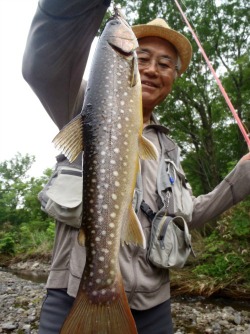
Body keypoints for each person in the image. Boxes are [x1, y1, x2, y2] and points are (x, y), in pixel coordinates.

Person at [22, 0, 250, 333]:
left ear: (174, 76)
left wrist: (243, 174)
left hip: (154, 308)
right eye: (141, 58)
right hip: (74, 295)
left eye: (165, 63)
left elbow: (188, 216)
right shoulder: (80, 107)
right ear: (122, 63)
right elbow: (42, 66)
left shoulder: (169, 150)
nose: (153, 69)